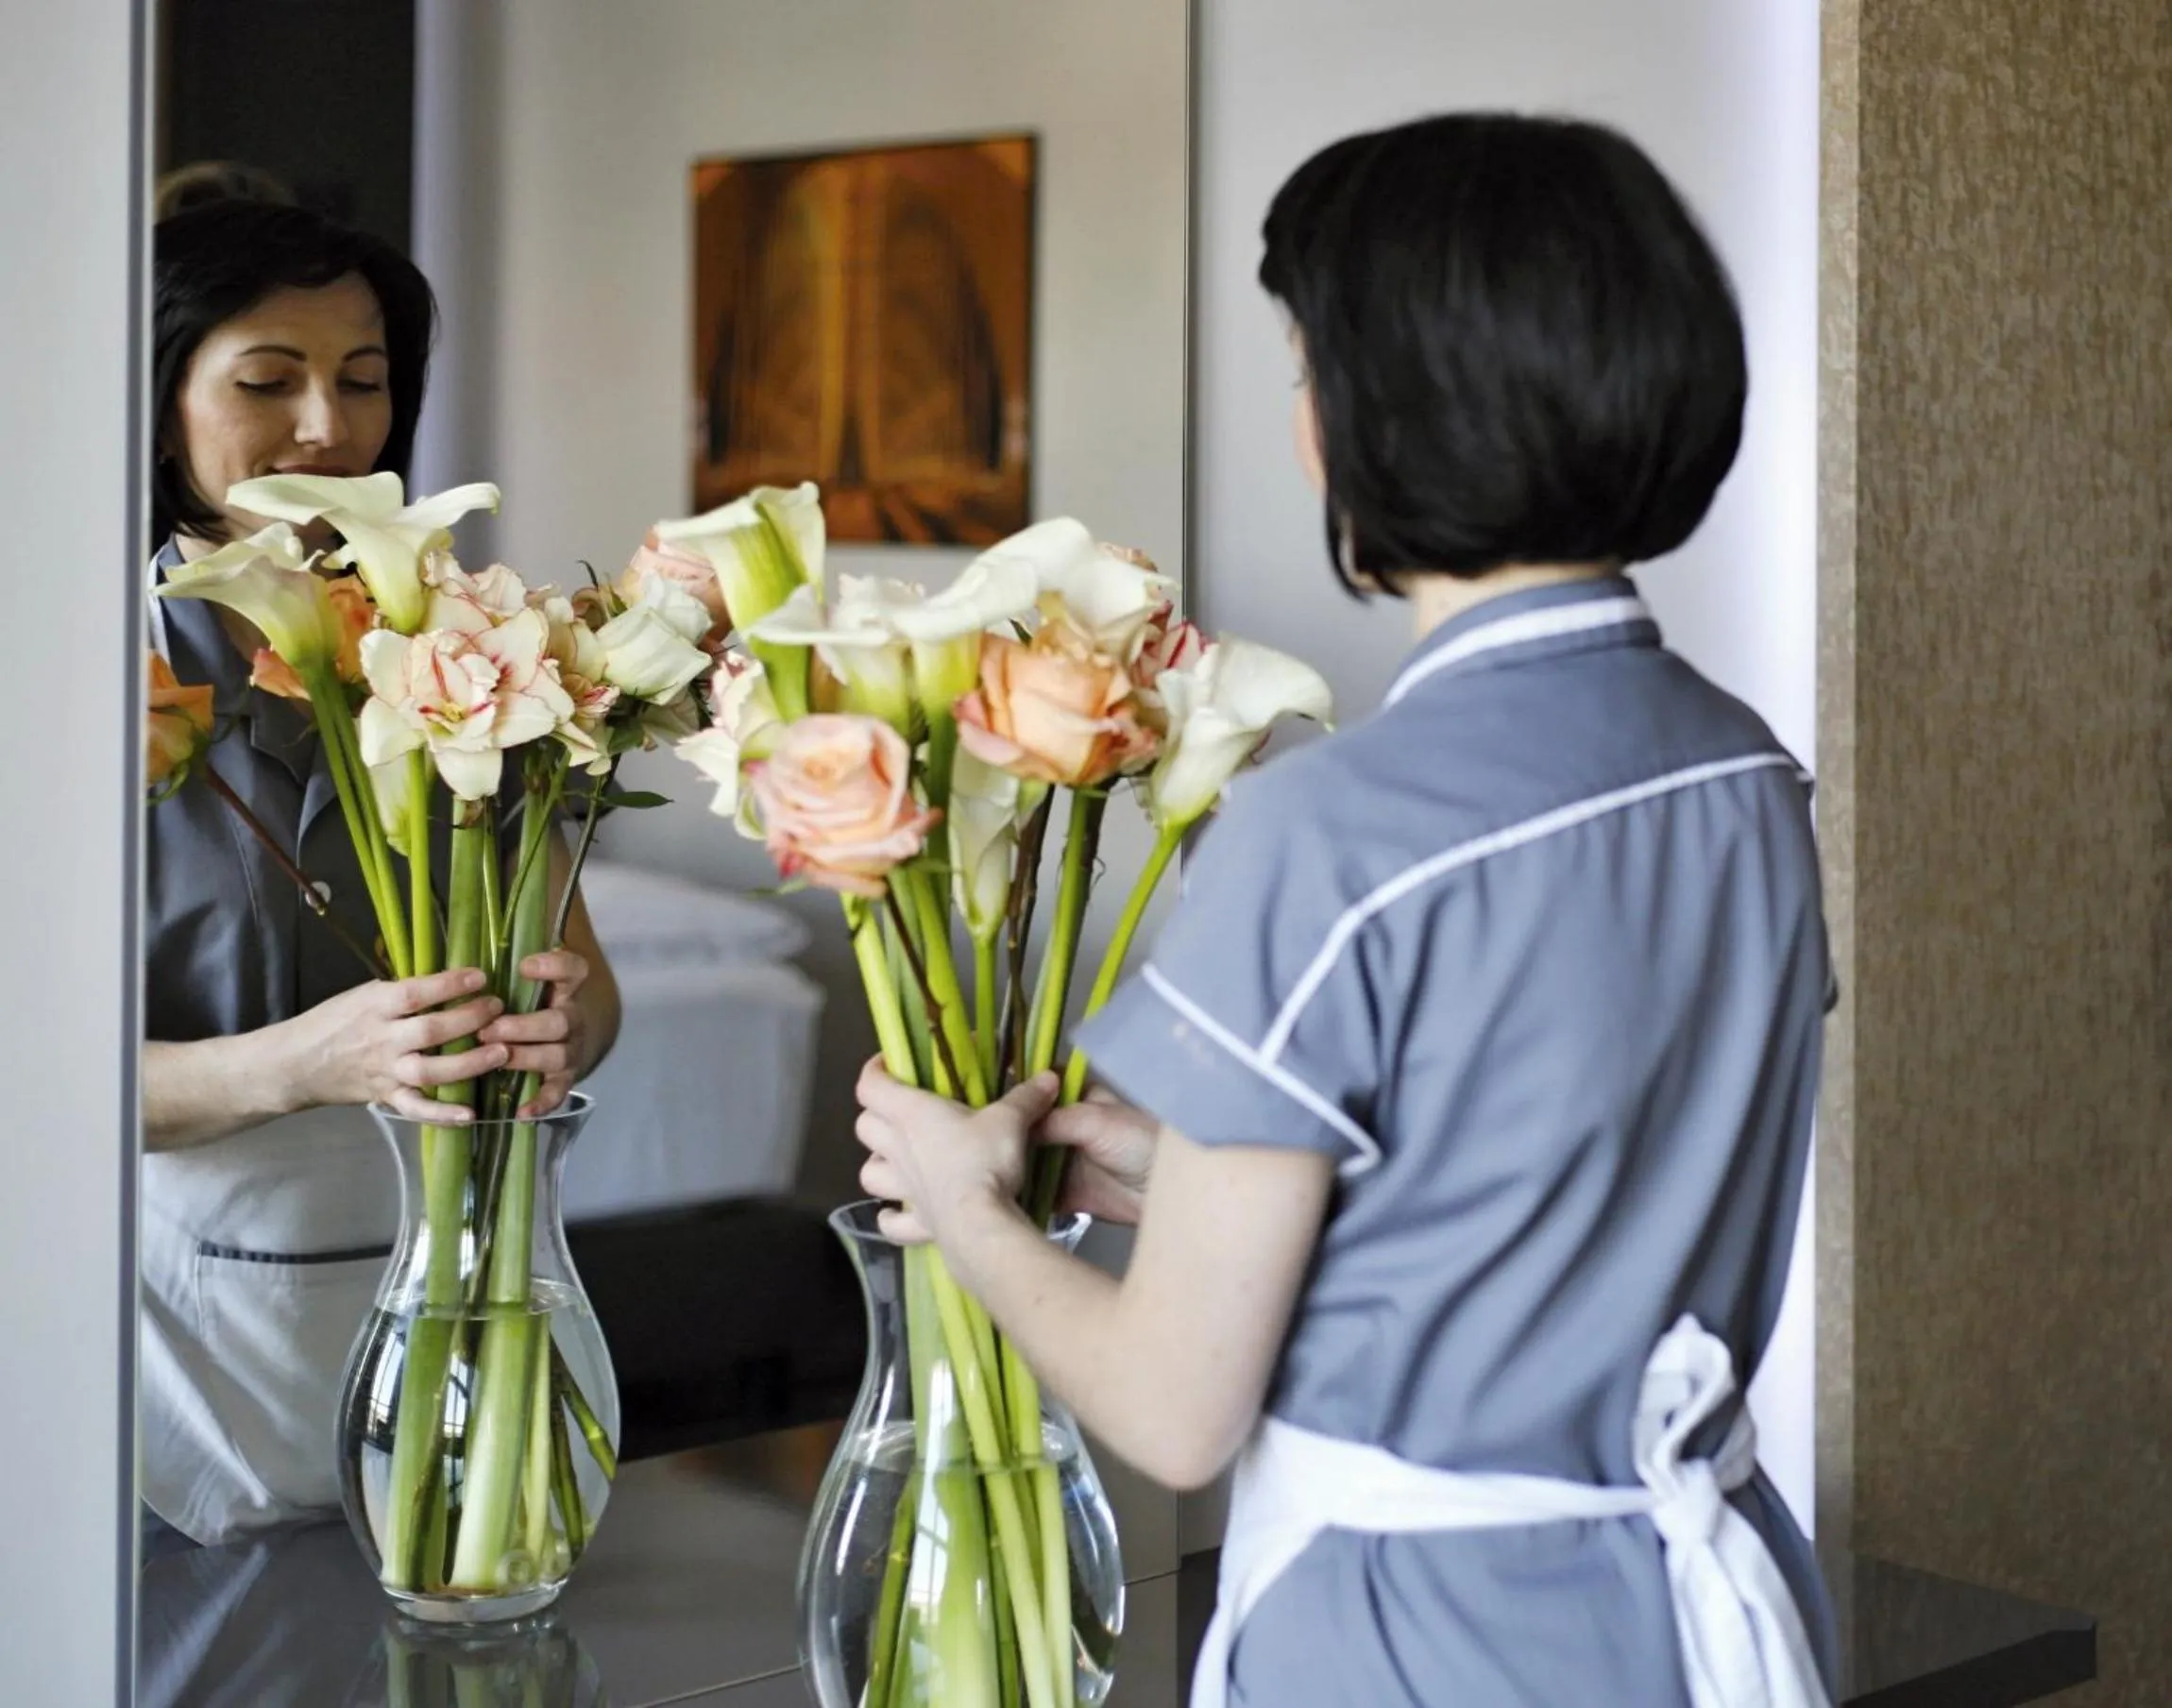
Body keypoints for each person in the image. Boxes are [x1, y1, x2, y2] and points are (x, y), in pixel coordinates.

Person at [853, 112, 1836, 1707]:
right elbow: (1535, 1185)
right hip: (1697, 1610)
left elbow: (1176, 1414)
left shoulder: (1332, 830)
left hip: (1419, 1645)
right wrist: (1191, 1188)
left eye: (1309, 366)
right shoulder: (1747, 777)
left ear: (1376, 421)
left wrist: (965, 1209)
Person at [142, 194, 620, 1548]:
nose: (325, 429)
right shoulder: (89, 675)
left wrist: (559, 1019)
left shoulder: (466, 638)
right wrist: (307, 1062)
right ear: (161, 394)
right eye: (266, 379)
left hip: (473, 1294)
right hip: (185, 1346)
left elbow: (596, 993)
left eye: (362, 380)